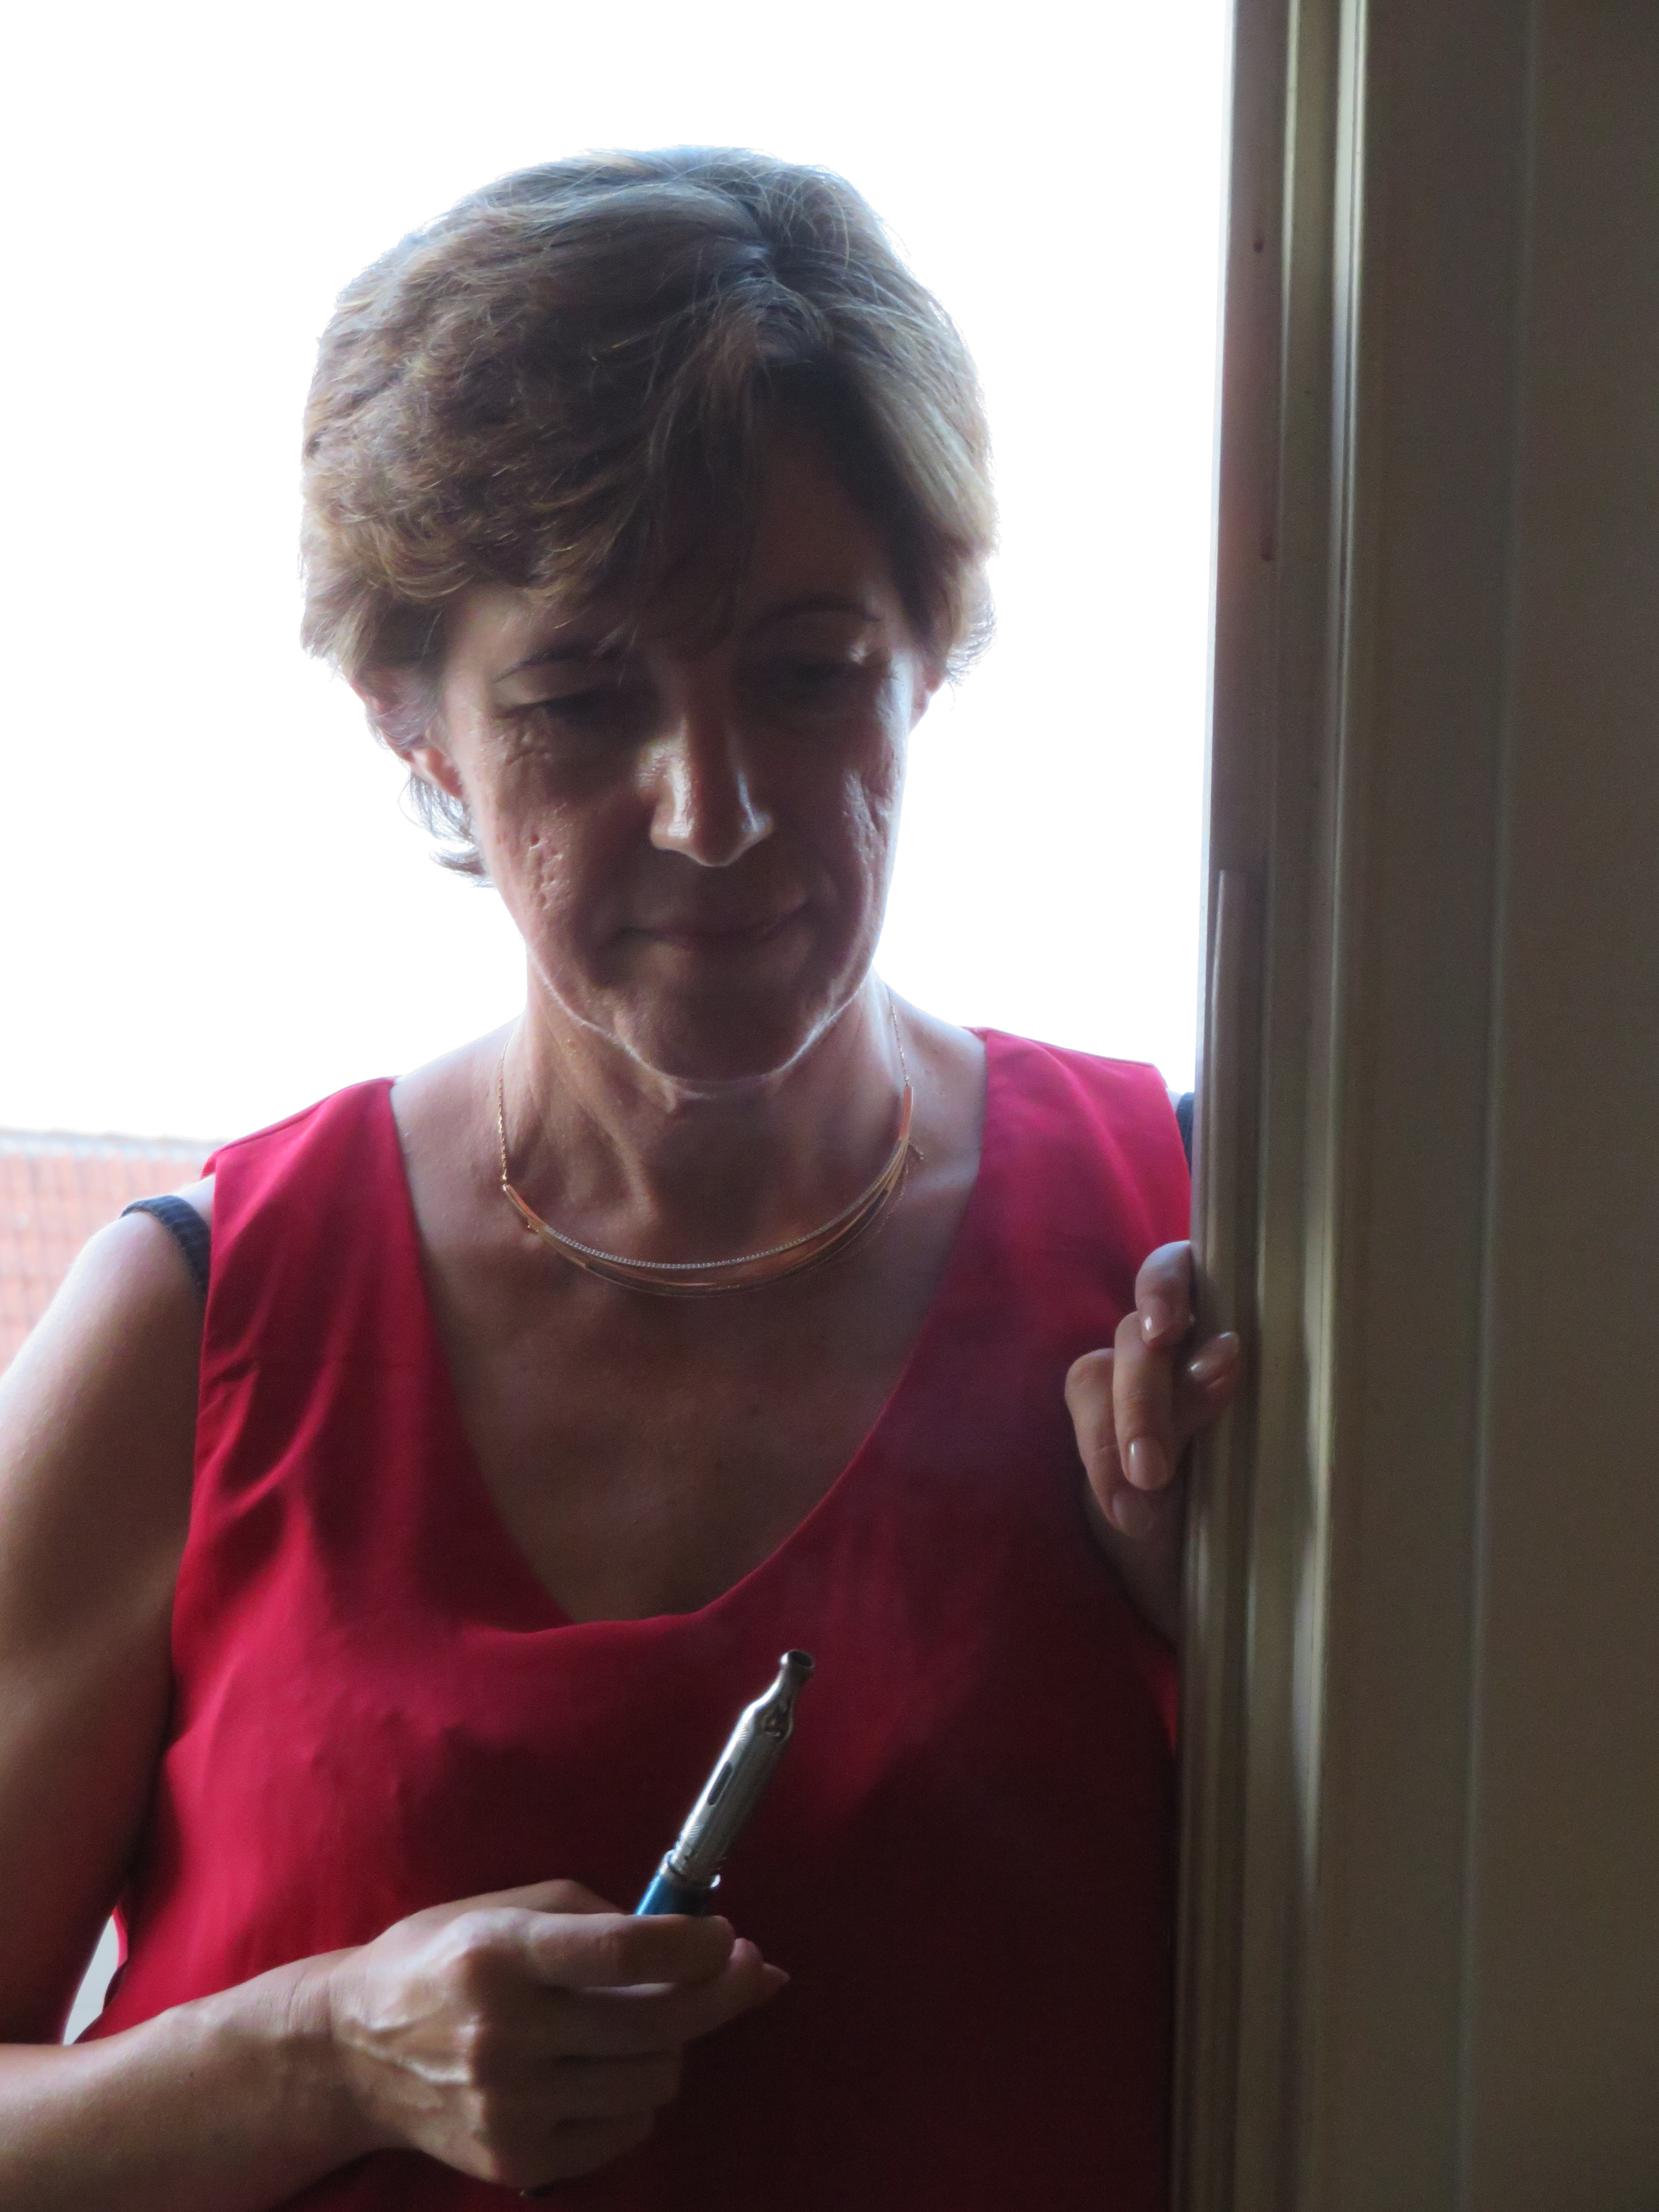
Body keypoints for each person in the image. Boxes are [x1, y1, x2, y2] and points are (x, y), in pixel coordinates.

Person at [0, 149, 1240, 2209]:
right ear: (414, 725)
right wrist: (321, 2051)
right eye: (582, 697)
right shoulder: (202, 1321)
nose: (714, 811)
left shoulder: (1198, 1253)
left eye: (808, 671)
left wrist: (1254, 1644)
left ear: (930, 655)